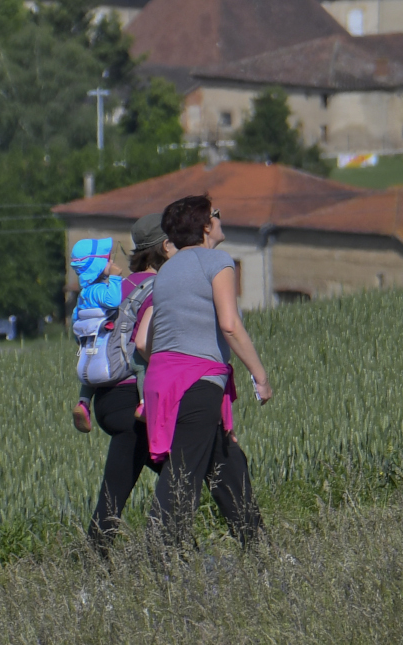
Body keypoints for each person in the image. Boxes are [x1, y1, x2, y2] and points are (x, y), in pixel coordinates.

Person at [140, 194, 271, 547]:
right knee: (184, 473)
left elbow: (144, 342)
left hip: (163, 383)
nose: (220, 217)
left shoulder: (165, 273)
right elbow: (230, 325)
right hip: (197, 382)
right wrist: (259, 375)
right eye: (216, 213)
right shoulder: (217, 261)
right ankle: (158, 560)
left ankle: (259, 548)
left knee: (227, 462)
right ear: (205, 225)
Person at [83, 213, 173, 555]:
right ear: (163, 249)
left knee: (117, 488)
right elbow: (144, 345)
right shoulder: (156, 289)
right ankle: (170, 551)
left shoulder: (114, 288)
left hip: (105, 400)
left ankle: (96, 557)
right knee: (185, 469)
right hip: (135, 401)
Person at [69, 238, 125, 433]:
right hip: (108, 352)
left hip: (89, 349)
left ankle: (83, 402)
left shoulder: (83, 294)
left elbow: (76, 318)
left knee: (88, 377)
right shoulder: (100, 290)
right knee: (139, 365)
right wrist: (116, 278)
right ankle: (143, 403)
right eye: (107, 260)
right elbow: (113, 300)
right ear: (98, 265)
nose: (111, 263)